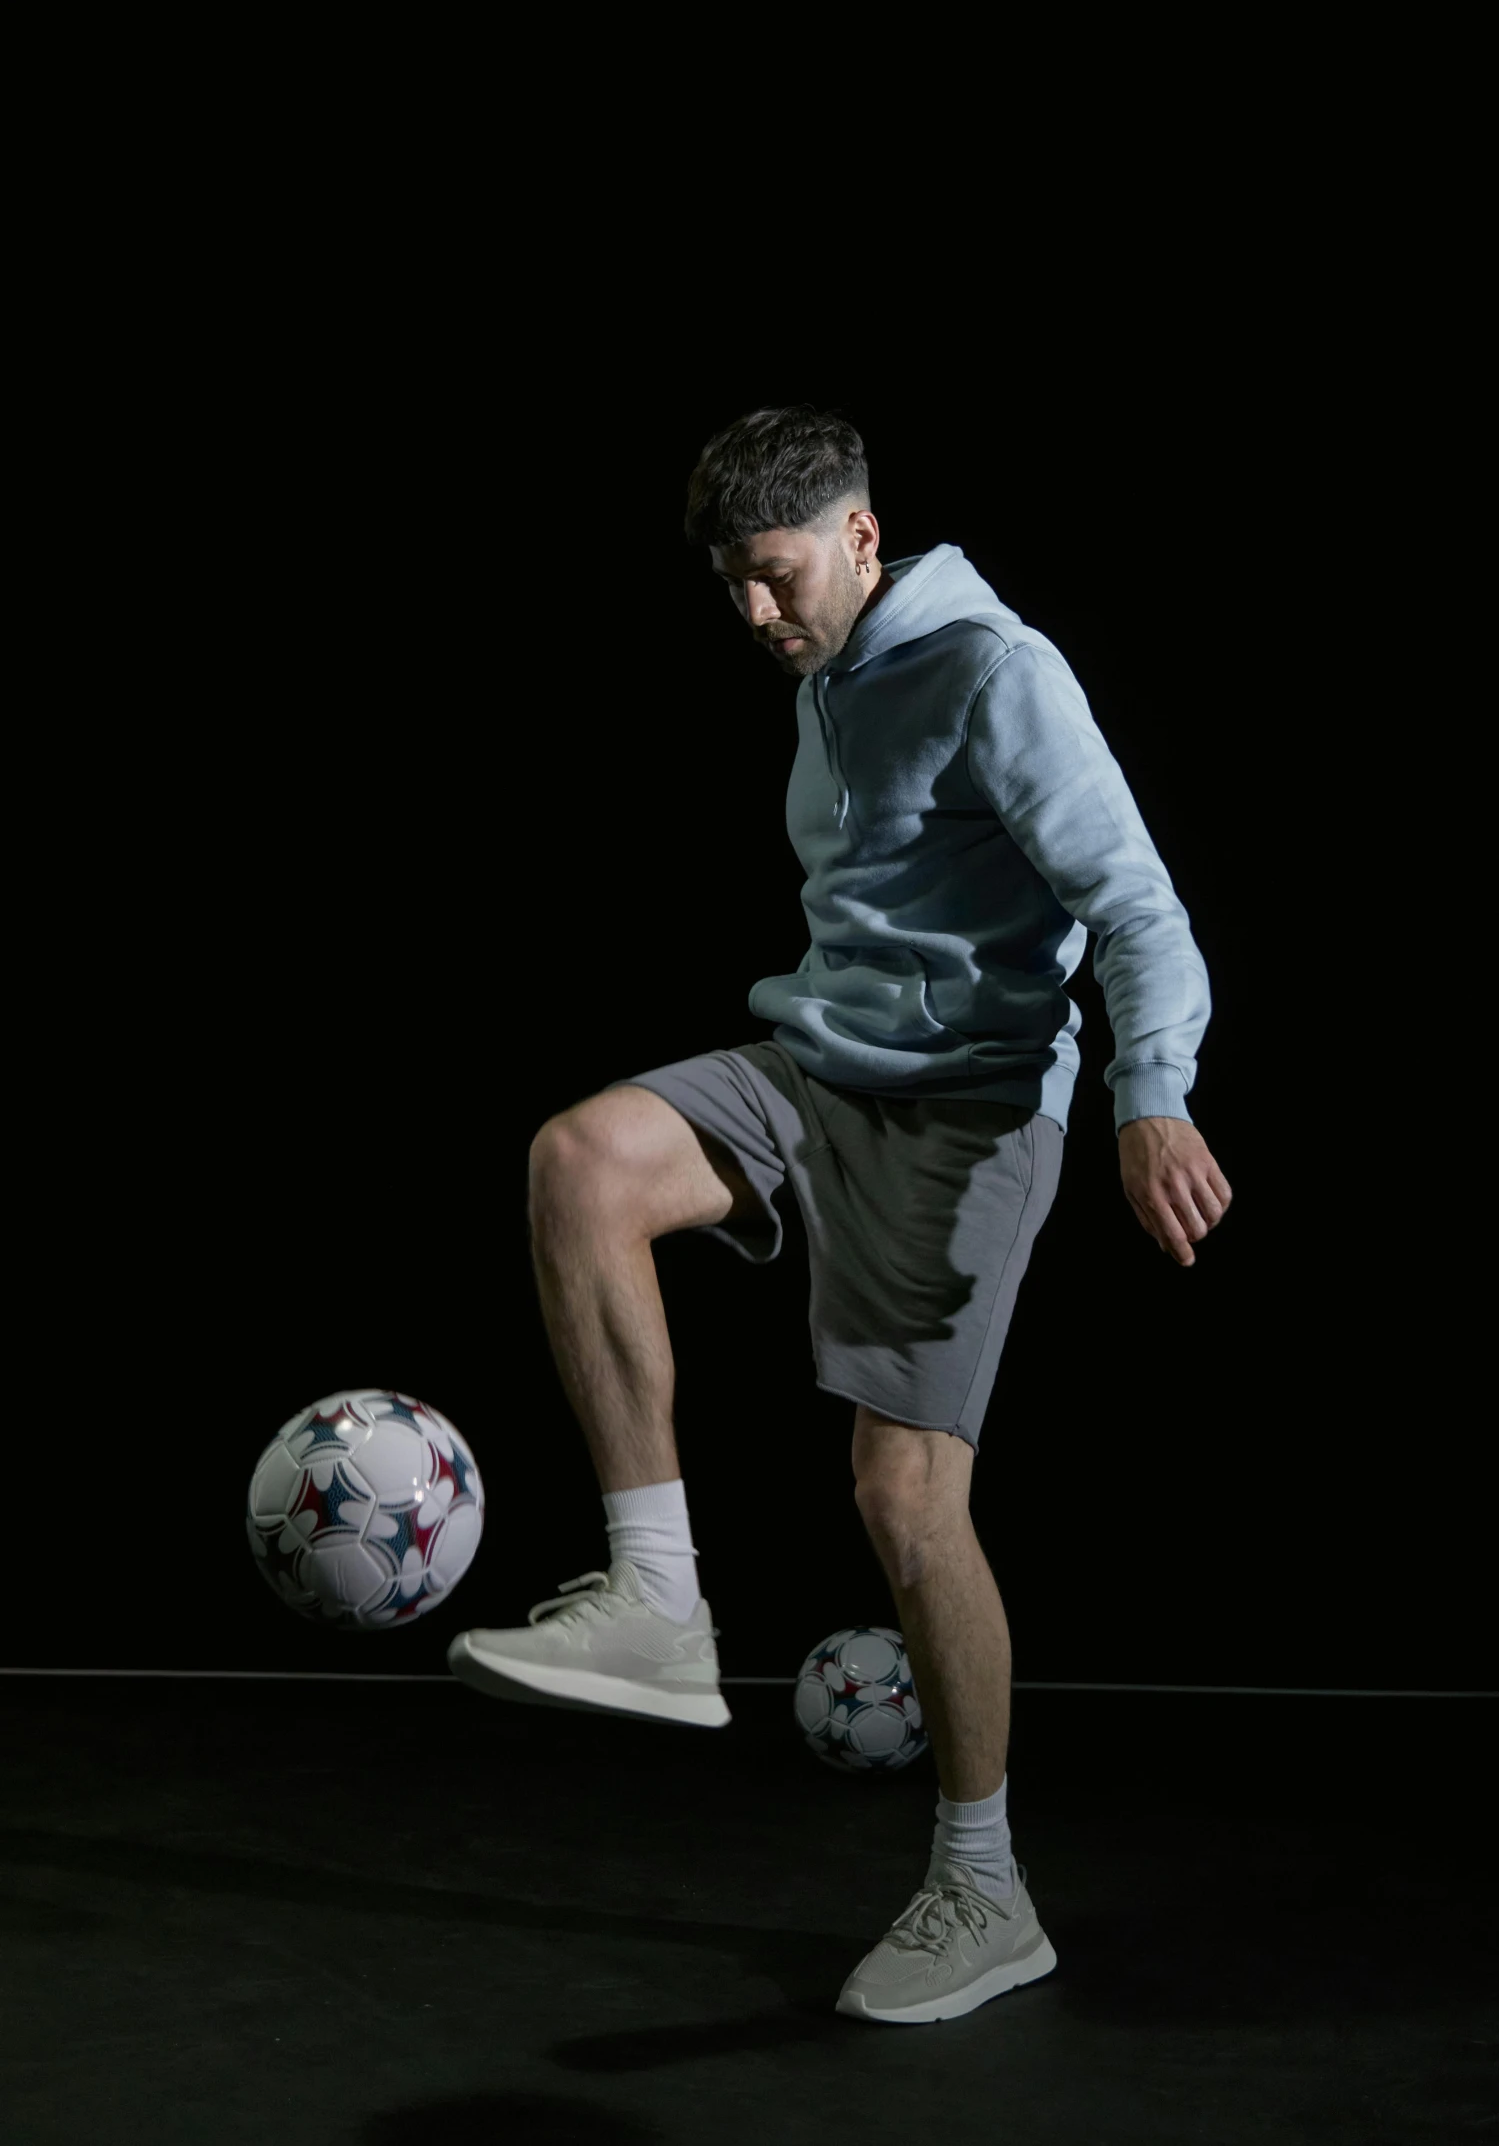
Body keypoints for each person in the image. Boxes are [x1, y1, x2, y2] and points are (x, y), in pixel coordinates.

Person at [447, 403, 1234, 2023]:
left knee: (903, 1499)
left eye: (777, 574)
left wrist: (1149, 1097)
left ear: (864, 540)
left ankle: (986, 1885)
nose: (754, 612)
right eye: (730, 583)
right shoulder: (826, 673)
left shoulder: (994, 671)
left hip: (967, 1118)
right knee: (578, 1160)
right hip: (822, 1068)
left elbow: (1138, 905)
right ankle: (659, 1597)